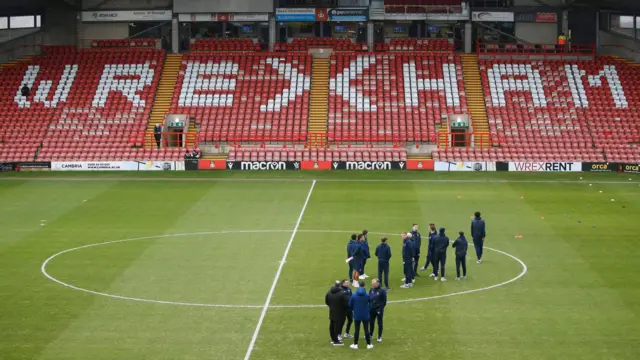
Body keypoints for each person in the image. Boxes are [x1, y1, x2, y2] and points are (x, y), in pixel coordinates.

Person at [349, 281, 373, 350]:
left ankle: (355, 344)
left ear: (358, 285)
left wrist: (354, 309)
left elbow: (350, 305)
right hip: (365, 314)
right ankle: (369, 344)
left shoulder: (354, 295)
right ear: (364, 285)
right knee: (366, 329)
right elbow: (370, 303)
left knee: (357, 329)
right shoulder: (367, 295)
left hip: (357, 315)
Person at [326, 280, 349, 346]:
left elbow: (327, 301)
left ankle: (333, 339)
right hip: (340, 313)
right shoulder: (342, 294)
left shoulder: (329, 292)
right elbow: (346, 304)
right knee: (337, 327)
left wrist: (331, 307)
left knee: (332, 326)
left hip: (332, 311)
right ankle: (336, 341)